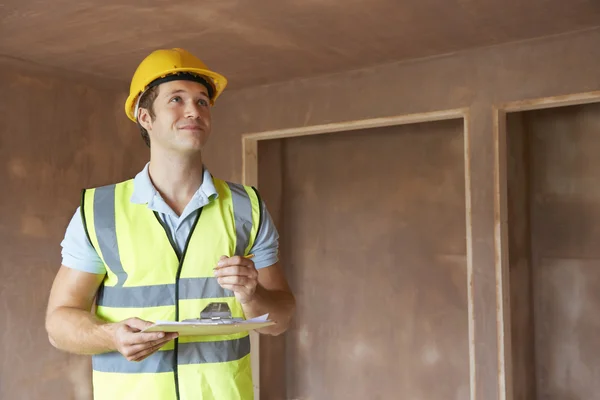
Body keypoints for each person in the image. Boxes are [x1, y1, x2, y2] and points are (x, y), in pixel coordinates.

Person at [45, 48, 296, 400]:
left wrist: (253, 295)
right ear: (145, 117)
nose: (194, 110)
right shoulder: (99, 211)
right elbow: (59, 323)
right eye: (176, 100)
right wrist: (112, 336)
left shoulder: (247, 207)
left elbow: (280, 318)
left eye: (203, 101)